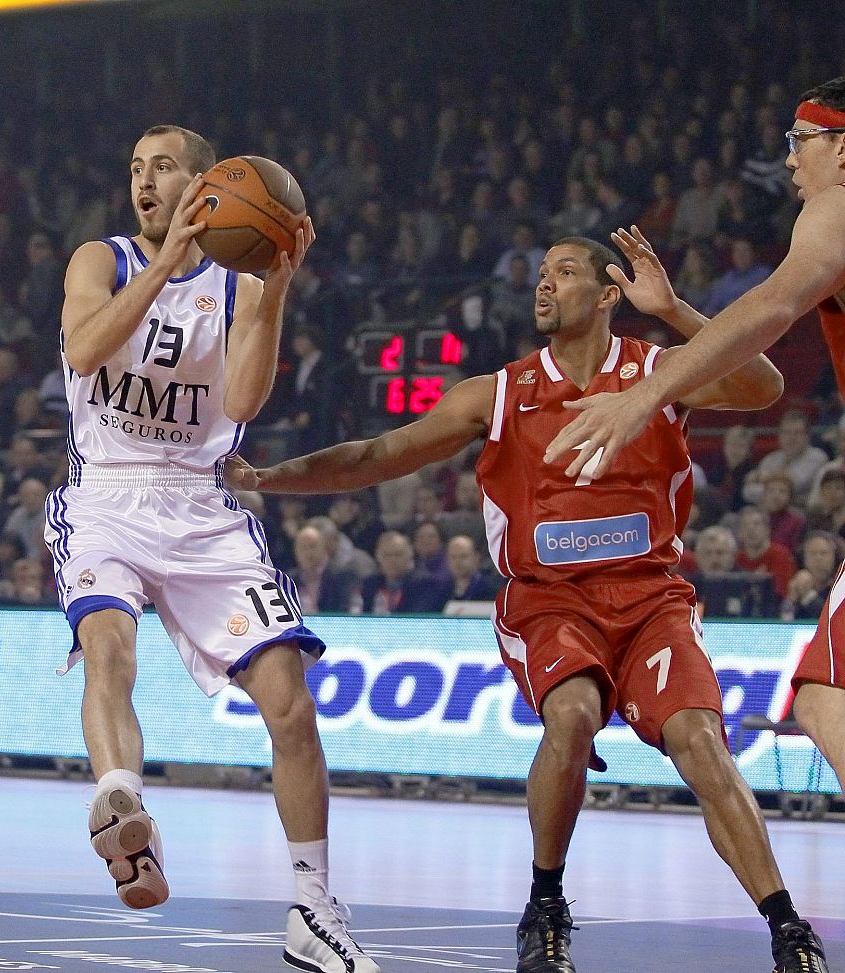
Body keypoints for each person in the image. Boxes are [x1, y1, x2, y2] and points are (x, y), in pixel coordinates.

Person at [231, 232, 829, 973]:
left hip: (651, 599)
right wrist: (268, 477)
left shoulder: (658, 373)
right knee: (572, 715)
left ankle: (786, 926)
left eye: (566, 272)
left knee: (701, 740)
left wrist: (674, 309)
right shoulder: (501, 391)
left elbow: (763, 387)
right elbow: (379, 455)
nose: (544, 285)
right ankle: (545, 904)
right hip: (549, 601)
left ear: (609, 294)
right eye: (541, 274)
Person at [52, 124, 373, 972]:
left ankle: (313, 902)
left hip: (201, 498)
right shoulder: (103, 259)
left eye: (162, 167)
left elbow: (243, 397)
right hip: (107, 493)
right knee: (106, 651)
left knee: (289, 703)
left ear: (207, 186)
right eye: (134, 168)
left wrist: (277, 289)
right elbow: (84, 351)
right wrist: (163, 268)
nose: (143, 181)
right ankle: (123, 804)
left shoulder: (237, 287)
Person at [549, 80, 845, 817]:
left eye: (799, 141)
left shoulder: (835, 206)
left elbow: (776, 305)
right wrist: (676, 310)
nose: (788, 162)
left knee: (825, 697)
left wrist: (641, 394)